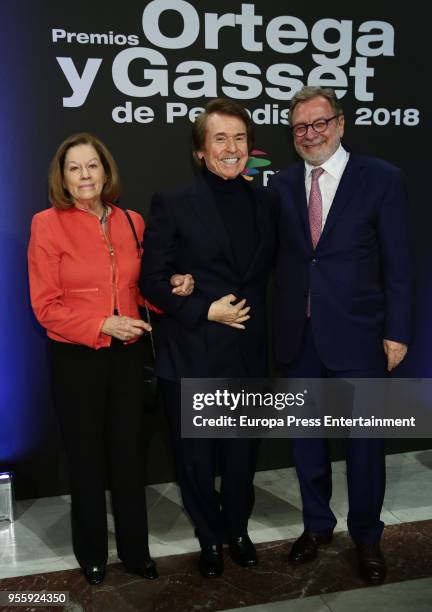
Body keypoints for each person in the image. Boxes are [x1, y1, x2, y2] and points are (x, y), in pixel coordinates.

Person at [27, 132, 193, 585]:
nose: (84, 175)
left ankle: (136, 552)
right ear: (62, 177)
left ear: (106, 171)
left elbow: (141, 291)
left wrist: (170, 286)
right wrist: (102, 323)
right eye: (74, 168)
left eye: (92, 166)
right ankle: (92, 554)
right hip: (76, 359)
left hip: (128, 357)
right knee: (86, 459)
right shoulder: (47, 224)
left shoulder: (132, 221)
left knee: (128, 457)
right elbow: (46, 307)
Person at [270, 86, 413, 584]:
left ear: (341, 123)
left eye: (319, 123)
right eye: (300, 128)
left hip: (362, 337)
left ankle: (368, 537)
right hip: (299, 337)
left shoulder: (381, 179)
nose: (311, 135)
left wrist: (398, 332)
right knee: (306, 442)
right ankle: (316, 525)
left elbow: (399, 263)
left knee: (366, 445)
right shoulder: (283, 185)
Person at [140, 98, 278, 577]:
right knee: (195, 459)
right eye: (220, 138)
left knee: (241, 453)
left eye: (239, 138)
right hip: (193, 353)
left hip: (247, 353)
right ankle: (210, 537)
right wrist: (204, 308)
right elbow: (152, 280)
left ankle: (237, 528)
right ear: (200, 150)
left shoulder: (268, 200)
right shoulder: (174, 201)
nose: (231, 147)